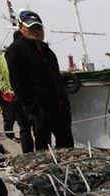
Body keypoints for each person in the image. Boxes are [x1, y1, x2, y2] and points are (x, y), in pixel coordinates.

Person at [6, 10, 74, 150]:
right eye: (31, 28)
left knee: (67, 146)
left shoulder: (46, 50)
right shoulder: (16, 50)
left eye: (38, 28)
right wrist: (35, 112)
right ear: (21, 28)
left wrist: (65, 104)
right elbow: (19, 84)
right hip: (40, 110)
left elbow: (55, 78)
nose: (35, 31)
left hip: (59, 108)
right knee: (44, 148)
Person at [0, 31, 35, 152]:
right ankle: (42, 153)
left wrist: (9, 91)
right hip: (31, 97)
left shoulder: (1, 58)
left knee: (24, 128)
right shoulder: (28, 54)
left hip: (14, 98)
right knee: (38, 127)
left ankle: (28, 154)